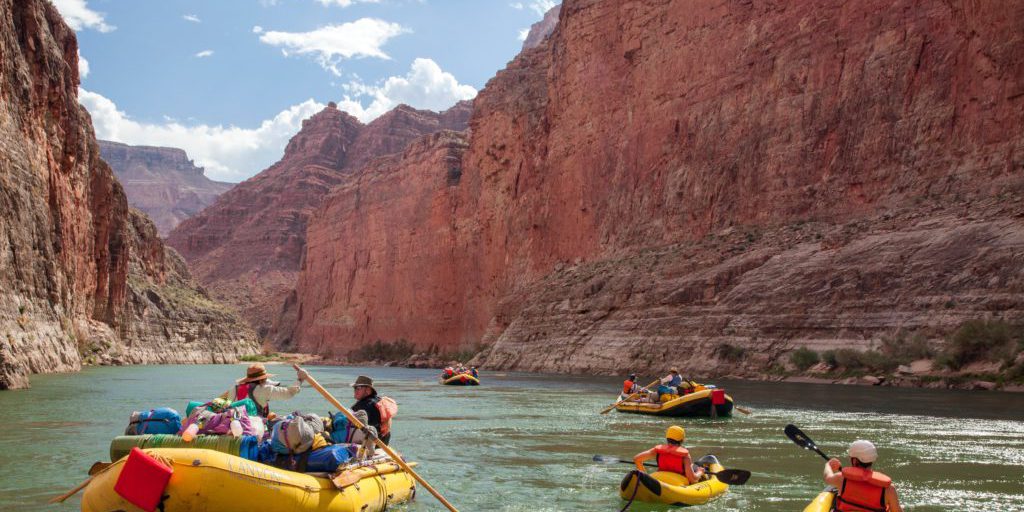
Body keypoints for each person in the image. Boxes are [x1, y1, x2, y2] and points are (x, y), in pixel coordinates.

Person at [823, 440, 903, 512]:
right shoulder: (889, 489)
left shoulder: (842, 478)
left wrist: (828, 465)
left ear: (854, 460)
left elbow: (827, 477)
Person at [222, 363, 305, 417]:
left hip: (234, 425)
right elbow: (289, 393)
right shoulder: (264, 389)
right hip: (253, 428)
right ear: (262, 379)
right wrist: (300, 379)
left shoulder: (234, 388)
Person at [633, 426, 704, 484]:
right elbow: (692, 479)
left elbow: (637, 459)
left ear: (667, 438)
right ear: (682, 440)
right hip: (677, 482)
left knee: (692, 466)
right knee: (696, 467)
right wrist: (700, 472)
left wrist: (645, 478)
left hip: (657, 478)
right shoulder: (685, 456)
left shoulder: (657, 450)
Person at [351, 375, 396, 445]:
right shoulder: (379, 401)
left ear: (368, 390)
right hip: (383, 441)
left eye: (358, 388)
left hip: (370, 443)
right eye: (355, 388)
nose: (355, 390)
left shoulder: (363, 405)